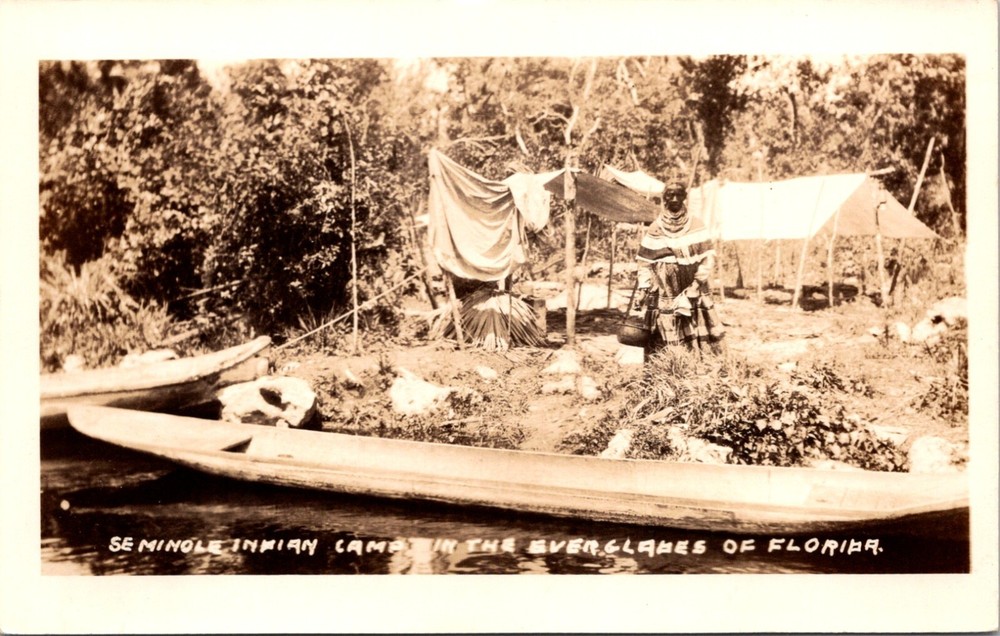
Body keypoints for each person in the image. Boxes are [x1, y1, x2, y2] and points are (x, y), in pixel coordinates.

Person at [633, 181, 724, 353]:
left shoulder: (696, 225)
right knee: (664, 331)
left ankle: (698, 368)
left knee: (697, 326)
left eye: (678, 195)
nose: (674, 199)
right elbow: (644, 263)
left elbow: (707, 259)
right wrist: (643, 289)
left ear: (685, 197)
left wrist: (696, 285)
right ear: (664, 197)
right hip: (663, 290)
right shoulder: (655, 228)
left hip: (693, 287)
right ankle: (667, 369)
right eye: (670, 195)